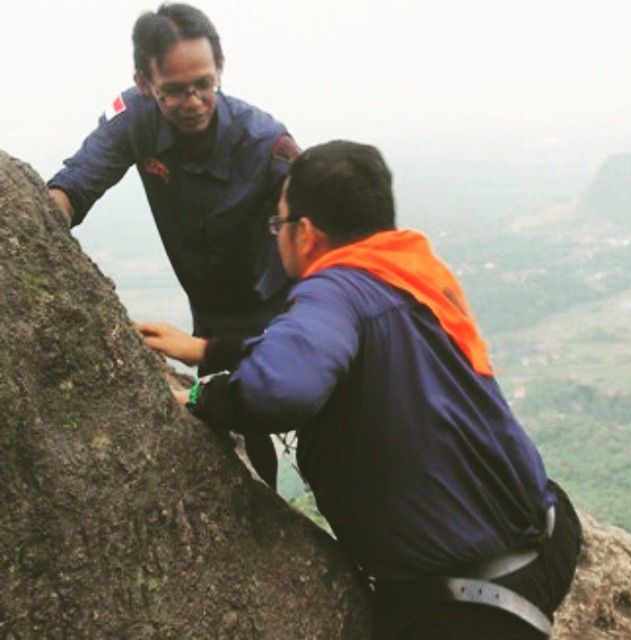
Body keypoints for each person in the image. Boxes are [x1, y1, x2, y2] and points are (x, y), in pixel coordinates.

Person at [139, 140, 581, 639]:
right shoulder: (410, 269)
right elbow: (337, 343)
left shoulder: (332, 289)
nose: (277, 234)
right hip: (546, 536)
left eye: (278, 223)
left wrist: (202, 398)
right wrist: (209, 351)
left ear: (304, 233)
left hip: (466, 601)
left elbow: (281, 389)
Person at [48, 2, 300, 487]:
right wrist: (32, 227)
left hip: (278, 312)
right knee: (241, 448)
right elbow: (77, 182)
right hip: (209, 313)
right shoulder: (135, 117)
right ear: (145, 82)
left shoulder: (266, 143)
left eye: (204, 84)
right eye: (175, 91)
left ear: (220, 69)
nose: (194, 101)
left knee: (318, 435)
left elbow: (323, 225)